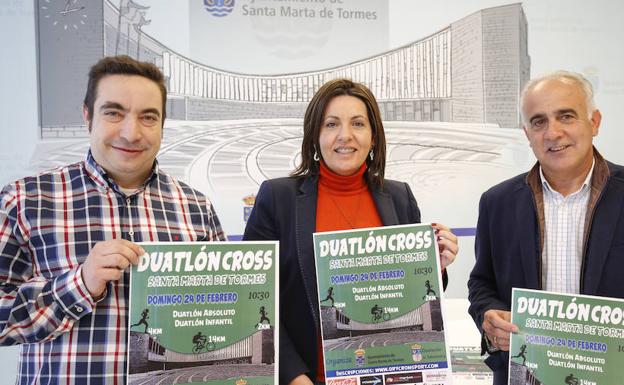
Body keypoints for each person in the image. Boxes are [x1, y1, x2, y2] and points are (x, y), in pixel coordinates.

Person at [0, 55, 225, 384]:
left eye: (148, 117)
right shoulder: (25, 200)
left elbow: (221, 315)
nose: (131, 133)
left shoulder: (195, 207)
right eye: (114, 113)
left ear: (162, 124)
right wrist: (80, 285)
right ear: (87, 116)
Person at [243, 78, 458, 385]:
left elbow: (413, 290)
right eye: (331, 124)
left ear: (373, 137)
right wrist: (294, 376)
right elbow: (256, 302)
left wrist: (437, 267)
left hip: (389, 375)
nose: (345, 135)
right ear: (315, 135)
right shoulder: (278, 198)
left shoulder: (399, 197)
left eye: (358, 123)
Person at [468, 70, 624, 384]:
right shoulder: (496, 203)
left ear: (594, 122)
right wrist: (489, 315)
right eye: (539, 122)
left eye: (566, 116)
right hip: (527, 375)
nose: (553, 133)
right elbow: (482, 283)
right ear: (527, 133)